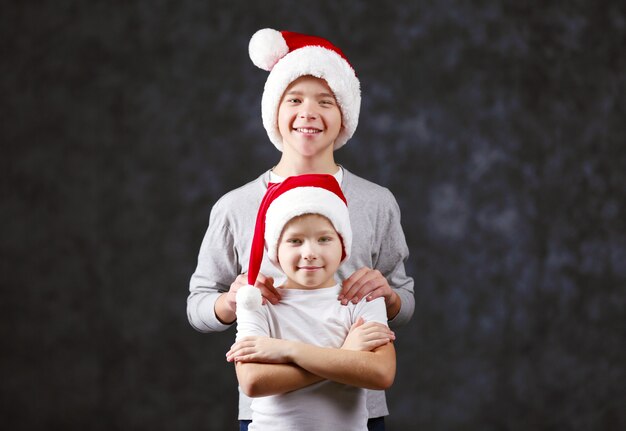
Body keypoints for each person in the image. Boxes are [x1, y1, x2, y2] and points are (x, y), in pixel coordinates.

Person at [187, 28, 414, 430]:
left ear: (344, 115)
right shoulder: (236, 205)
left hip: (358, 411)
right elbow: (198, 303)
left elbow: (404, 298)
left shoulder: (376, 202)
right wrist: (230, 301)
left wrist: (391, 299)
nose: (308, 113)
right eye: (294, 99)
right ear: (273, 111)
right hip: (271, 411)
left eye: (325, 102)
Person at [226, 174, 396, 431]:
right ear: (275, 251)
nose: (310, 252)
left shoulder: (362, 298)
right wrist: (347, 356)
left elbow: (381, 373)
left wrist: (286, 350)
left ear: (342, 246)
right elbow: (253, 382)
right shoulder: (257, 302)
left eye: (324, 239)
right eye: (295, 240)